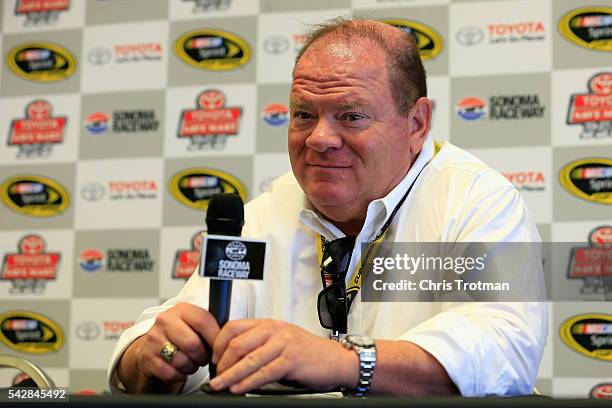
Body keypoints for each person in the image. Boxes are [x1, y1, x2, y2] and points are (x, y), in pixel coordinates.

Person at [108, 18, 547, 397]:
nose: (319, 138)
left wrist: (343, 362)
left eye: (351, 116)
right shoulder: (266, 212)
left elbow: (503, 351)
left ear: (416, 124)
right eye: (303, 115)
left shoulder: (475, 199)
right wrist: (155, 356)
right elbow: (159, 346)